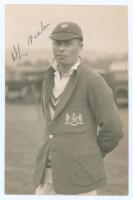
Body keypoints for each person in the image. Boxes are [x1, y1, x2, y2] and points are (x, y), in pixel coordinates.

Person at [33, 21, 123, 195]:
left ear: (80, 47)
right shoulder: (48, 77)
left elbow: (114, 129)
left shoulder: (93, 81)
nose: (61, 49)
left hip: (80, 179)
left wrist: (92, 154)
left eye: (68, 43)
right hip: (47, 176)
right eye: (57, 43)